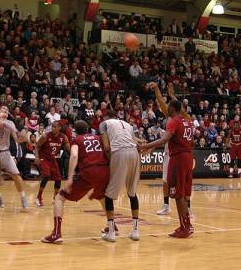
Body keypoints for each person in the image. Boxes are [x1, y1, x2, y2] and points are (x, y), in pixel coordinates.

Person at [41, 120, 109, 244]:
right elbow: (108, 150)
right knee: (102, 196)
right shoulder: (99, 137)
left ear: (75, 131)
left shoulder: (77, 140)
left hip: (89, 171)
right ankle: (112, 225)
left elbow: (73, 156)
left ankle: (56, 233)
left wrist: (70, 177)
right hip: (104, 171)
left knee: (59, 197)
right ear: (88, 128)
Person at [139, 100, 195, 238]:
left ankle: (184, 227)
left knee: (178, 194)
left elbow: (164, 140)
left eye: (169, 106)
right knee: (183, 193)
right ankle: (188, 225)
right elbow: (190, 141)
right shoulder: (188, 121)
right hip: (188, 156)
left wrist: (145, 146)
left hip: (178, 159)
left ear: (173, 108)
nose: (167, 109)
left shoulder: (174, 121)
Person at [147, 82, 192, 216]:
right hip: (170, 151)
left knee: (182, 183)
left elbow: (166, 138)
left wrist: (172, 96)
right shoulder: (173, 117)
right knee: (166, 181)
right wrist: (157, 89)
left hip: (179, 152)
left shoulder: (185, 118)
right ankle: (166, 205)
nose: (167, 108)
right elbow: (161, 101)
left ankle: (187, 208)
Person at [99, 110, 141, 243]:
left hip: (119, 153)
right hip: (134, 153)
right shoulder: (127, 124)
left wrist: (110, 162)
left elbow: (106, 147)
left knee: (109, 195)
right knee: (132, 193)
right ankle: (135, 231)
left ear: (106, 117)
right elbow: (136, 141)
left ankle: (111, 232)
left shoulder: (104, 124)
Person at [0, 107, 29, 209]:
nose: (5, 110)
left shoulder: (10, 123)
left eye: (6, 110)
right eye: (3, 109)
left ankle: (23, 197)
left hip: (6, 152)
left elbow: (16, 139)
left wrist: (23, 135)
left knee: (16, 174)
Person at [35, 121, 70, 207]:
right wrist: (36, 157)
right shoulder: (45, 136)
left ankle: (55, 198)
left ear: (59, 128)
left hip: (52, 159)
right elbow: (37, 146)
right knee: (46, 176)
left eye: (55, 127)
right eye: (52, 127)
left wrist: (76, 155)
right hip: (44, 158)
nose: (53, 128)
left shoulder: (63, 137)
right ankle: (39, 197)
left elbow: (68, 148)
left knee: (58, 179)